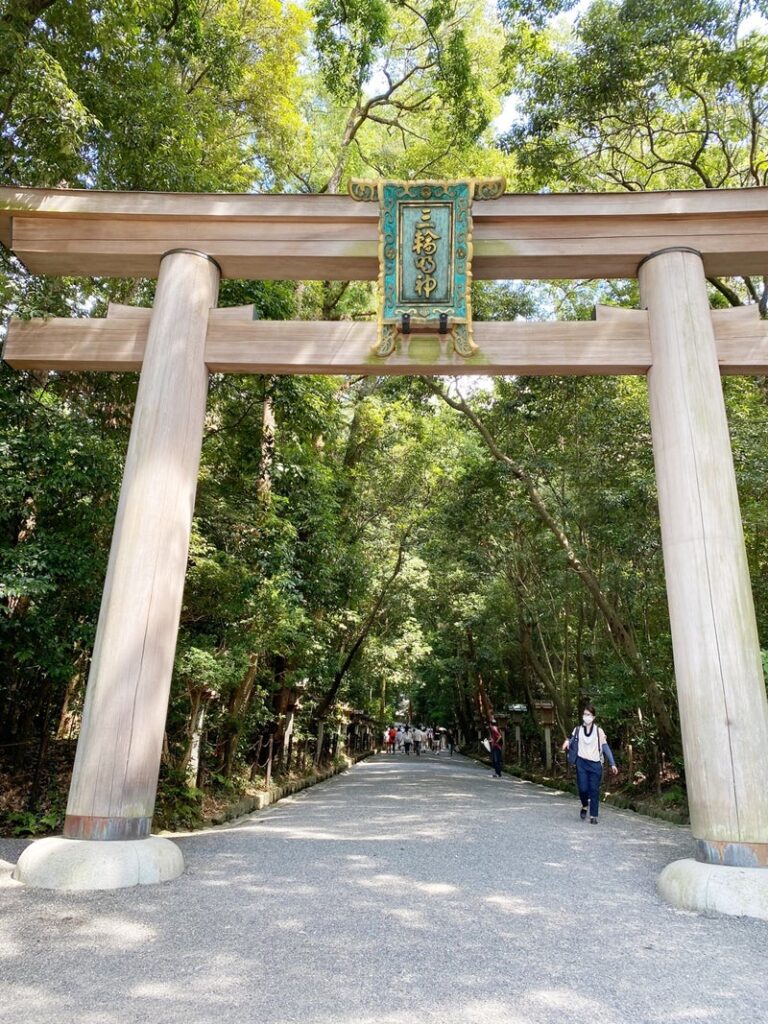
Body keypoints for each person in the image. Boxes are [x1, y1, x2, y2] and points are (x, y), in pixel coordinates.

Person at [562, 704, 618, 823]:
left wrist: (612, 763)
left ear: (593, 717)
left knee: (594, 790)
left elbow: (605, 747)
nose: (586, 717)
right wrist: (567, 742)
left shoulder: (599, 731)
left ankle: (593, 816)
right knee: (583, 789)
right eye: (584, 714)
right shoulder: (578, 730)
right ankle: (584, 805)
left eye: (588, 715)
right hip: (581, 763)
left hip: (595, 764)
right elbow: (572, 740)